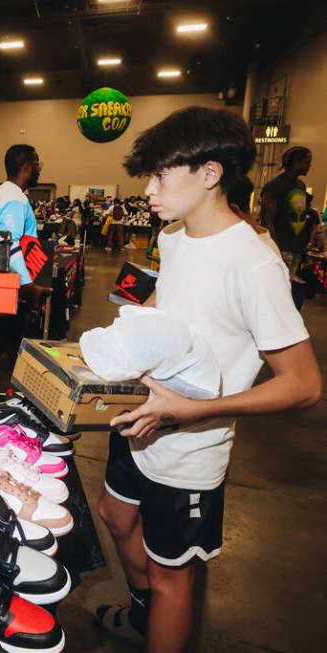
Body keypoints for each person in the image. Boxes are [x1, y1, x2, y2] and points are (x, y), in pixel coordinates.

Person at [98, 106, 320, 653]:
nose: (148, 189)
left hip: (191, 447)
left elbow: (303, 383)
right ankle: (144, 615)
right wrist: (118, 344)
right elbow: (162, 303)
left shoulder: (253, 264)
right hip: (138, 417)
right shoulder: (174, 237)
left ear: (210, 173)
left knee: (174, 573)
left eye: (160, 175)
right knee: (115, 514)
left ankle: (157, 622)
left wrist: (189, 411)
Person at [0, 144, 47, 391]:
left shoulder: (5, 194)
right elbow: (11, 242)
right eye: (38, 164)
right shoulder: (14, 198)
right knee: (1, 345)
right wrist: (28, 286)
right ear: (26, 166)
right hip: (10, 285)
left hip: (3, 281)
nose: (39, 169)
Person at [261, 146, 313, 304]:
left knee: (291, 296)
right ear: (296, 162)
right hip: (282, 247)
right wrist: (276, 249)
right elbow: (267, 220)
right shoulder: (275, 186)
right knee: (277, 294)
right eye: (307, 162)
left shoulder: (300, 186)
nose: (309, 166)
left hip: (297, 249)